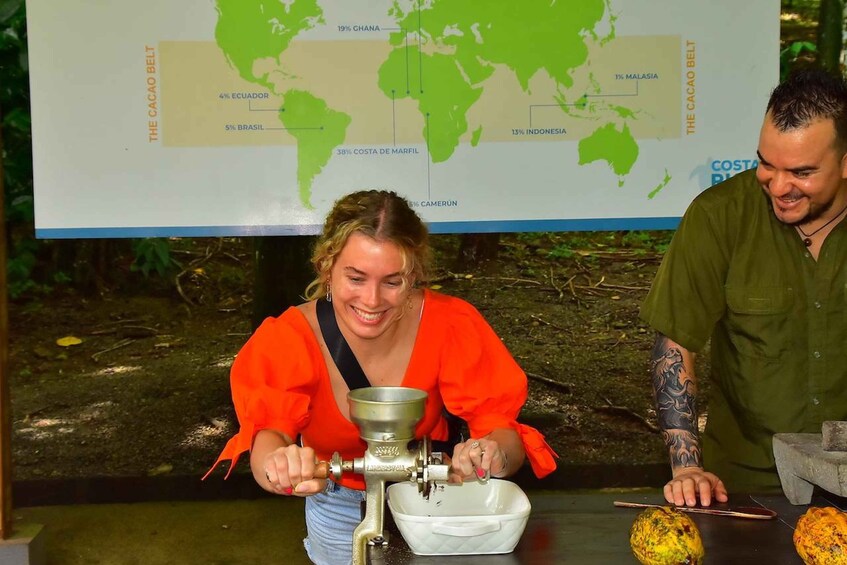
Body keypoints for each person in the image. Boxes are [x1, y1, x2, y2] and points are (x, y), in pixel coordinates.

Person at [206, 190, 557, 565]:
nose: (372, 301)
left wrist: (491, 455)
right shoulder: (288, 338)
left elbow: (501, 431)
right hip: (337, 503)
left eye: (392, 282)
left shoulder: (452, 324)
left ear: (414, 276)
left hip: (434, 499)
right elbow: (268, 437)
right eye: (356, 278)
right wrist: (280, 466)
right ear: (327, 267)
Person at [640, 68, 847, 508]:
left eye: (801, 172)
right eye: (766, 164)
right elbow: (675, 341)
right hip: (746, 485)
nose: (779, 186)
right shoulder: (719, 216)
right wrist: (686, 467)